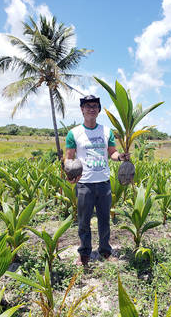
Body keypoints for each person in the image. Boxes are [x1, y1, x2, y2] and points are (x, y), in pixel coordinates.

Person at [65, 95, 129, 266]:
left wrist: (120, 157)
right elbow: (69, 158)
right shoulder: (74, 133)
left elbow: (112, 153)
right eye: (87, 106)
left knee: (104, 219)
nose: (91, 108)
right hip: (84, 183)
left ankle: (105, 251)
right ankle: (84, 253)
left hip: (103, 182)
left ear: (99, 110)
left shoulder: (106, 131)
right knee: (84, 221)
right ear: (82, 110)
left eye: (95, 106)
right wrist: (69, 173)